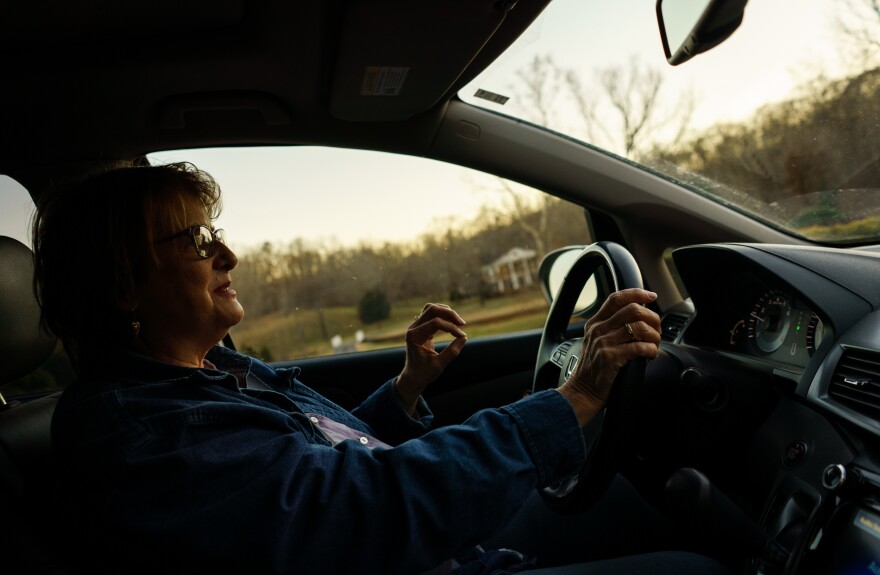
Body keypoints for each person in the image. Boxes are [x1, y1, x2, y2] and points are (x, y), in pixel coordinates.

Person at [32, 162, 730, 574]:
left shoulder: (203, 375)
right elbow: (356, 509)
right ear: (123, 283)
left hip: (432, 545)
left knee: (636, 501)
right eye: (196, 241)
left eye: (216, 235)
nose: (227, 256)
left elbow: (306, 466)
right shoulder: (138, 432)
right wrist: (574, 398)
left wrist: (405, 388)